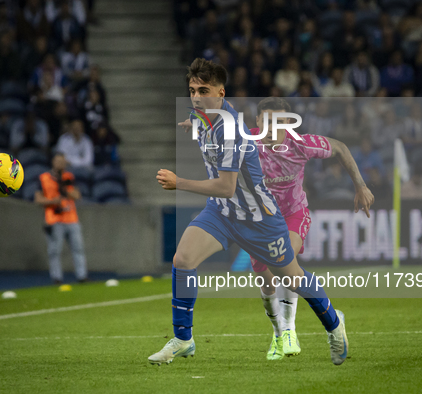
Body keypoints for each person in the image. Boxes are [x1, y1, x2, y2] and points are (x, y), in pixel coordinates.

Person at [149, 58, 355, 366]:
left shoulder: (230, 131)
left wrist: (180, 183)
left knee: (293, 278)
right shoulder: (205, 113)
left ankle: (334, 325)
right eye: (191, 90)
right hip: (221, 214)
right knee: (183, 260)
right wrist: (193, 122)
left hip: (258, 218)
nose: (195, 97)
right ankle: (183, 339)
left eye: (203, 90)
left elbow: (226, 187)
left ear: (220, 93)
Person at [247, 97, 373, 360]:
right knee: (265, 281)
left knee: (284, 261)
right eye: (267, 121)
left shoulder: (300, 143)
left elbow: (339, 147)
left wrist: (360, 185)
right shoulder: (246, 141)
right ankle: (279, 334)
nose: (273, 127)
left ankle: (290, 329)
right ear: (258, 122)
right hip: (260, 220)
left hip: (293, 214)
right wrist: (198, 123)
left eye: (280, 121)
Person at [34, 152, 88, 284]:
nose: (60, 164)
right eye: (58, 161)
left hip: (71, 218)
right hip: (54, 219)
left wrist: (66, 190)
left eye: (63, 161)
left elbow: (77, 196)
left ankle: (82, 276)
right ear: (52, 162)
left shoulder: (68, 177)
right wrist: (53, 201)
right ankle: (56, 278)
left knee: (78, 248)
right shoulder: (44, 178)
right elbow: (38, 199)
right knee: (55, 251)